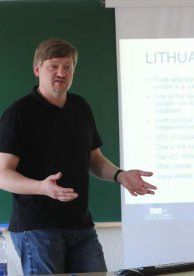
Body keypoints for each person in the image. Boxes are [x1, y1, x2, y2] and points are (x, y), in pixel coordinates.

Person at [0, 38, 157, 275]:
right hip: (37, 228)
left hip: (81, 226)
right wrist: (42, 187)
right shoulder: (19, 113)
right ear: (37, 70)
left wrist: (119, 175)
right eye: (53, 66)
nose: (61, 73)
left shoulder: (80, 107)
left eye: (68, 67)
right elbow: (2, 173)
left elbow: (94, 159)